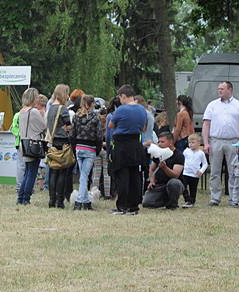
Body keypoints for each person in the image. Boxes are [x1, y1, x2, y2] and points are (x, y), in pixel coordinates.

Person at [202, 81, 239, 207]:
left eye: (222, 89)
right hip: (215, 140)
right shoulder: (212, 105)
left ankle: (234, 198)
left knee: (233, 171)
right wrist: (206, 143)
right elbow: (206, 124)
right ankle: (215, 198)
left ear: (230, 90)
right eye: (219, 89)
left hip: (234, 141)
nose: (219, 91)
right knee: (214, 171)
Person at [108, 85, 147, 215]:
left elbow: (111, 125)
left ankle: (122, 206)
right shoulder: (142, 109)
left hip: (122, 144)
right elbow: (144, 127)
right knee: (135, 175)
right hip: (136, 143)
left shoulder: (121, 109)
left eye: (120, 98)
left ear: (123, 96)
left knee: (122, 175)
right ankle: (133, 206)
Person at [70, 94, 103, 210]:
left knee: (83, 176)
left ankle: (84, 201)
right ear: (91, 104)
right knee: (84, 176)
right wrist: (98, 149)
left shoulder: (76, 116)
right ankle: (80, 202)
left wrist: (74, 147)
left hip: (79, 147)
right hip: (90, 148)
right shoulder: (95, 118)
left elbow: (72, 134)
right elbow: (99, 136)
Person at [46, 84, 72, 209]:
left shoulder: (50, 108)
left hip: (52, 142)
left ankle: (52, 200)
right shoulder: (63, 109)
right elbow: (68, 125)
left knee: (53, 171)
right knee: (62, 171)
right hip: (62, 142)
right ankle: (60, 201)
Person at [141, 132, 184, 209]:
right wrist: (152, 181)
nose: (159, 144)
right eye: (159, 142)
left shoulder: (178, 155)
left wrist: (165, 168)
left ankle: (172, 204)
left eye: (162, 142)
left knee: (174, 183)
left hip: (173, 183)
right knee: (147, 203)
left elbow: (176, 175)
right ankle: (165, 200)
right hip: (159, 184)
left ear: (170, 142)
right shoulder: (158, 154)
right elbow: (152, 169)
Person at [17, 87, 45, 205]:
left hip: (24, 143)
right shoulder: (33, 112)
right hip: (34, 145)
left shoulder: (22, 111)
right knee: (32, 173)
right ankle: (26, 198)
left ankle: (21, 197)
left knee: (27, 171)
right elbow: (43, 127)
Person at [180, 134, 207, 207]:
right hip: (186, 173)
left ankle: (192, 201)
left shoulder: (201, 153)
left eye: (193, 142)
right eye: (189, 142)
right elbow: (182, 160)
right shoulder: (186, 151)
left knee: (193, 189)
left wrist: (201, 171)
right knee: (183, 187)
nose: (191, 144)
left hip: (195, 175)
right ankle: (187, 200)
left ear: (198, 143)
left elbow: (205, 164)